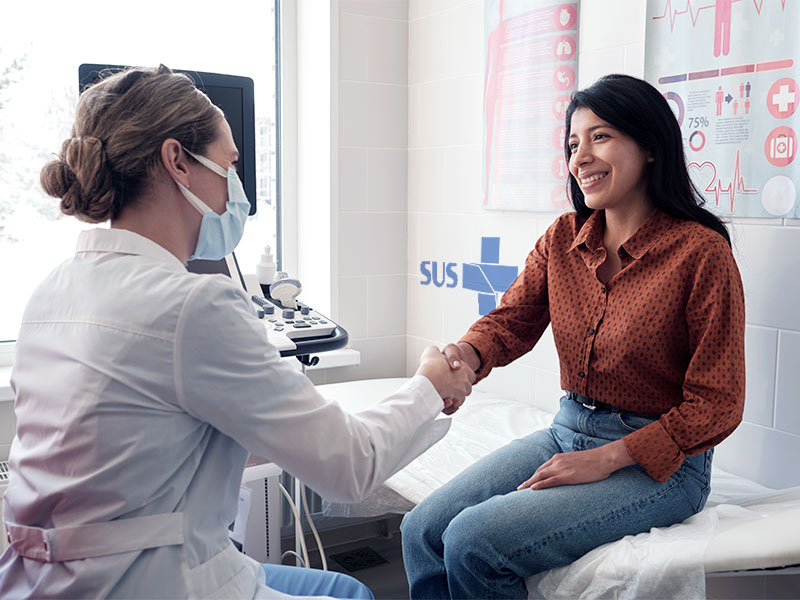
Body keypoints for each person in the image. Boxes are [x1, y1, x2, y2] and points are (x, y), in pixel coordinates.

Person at [0, 65, 474, 599]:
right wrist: (430, 385)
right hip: (147, 582)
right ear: (178, 160)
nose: (236, 187)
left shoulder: (52, 290)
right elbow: (348, 466)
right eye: (229, 163)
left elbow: (131, 438)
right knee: (353, 594)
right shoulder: (193, 303)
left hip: (36, 580)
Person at [400, 73, 745, 599]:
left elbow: (717, 404)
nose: (580, 156)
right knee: (421, 531)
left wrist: (606, 458)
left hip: (664, 468)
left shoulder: (700, 253)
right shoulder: (564, 237)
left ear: (651, 147)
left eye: (600, 136)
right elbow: (512, 320)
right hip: (568, 429)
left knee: (473, 541)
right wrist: (465, 355)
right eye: (572, 143)